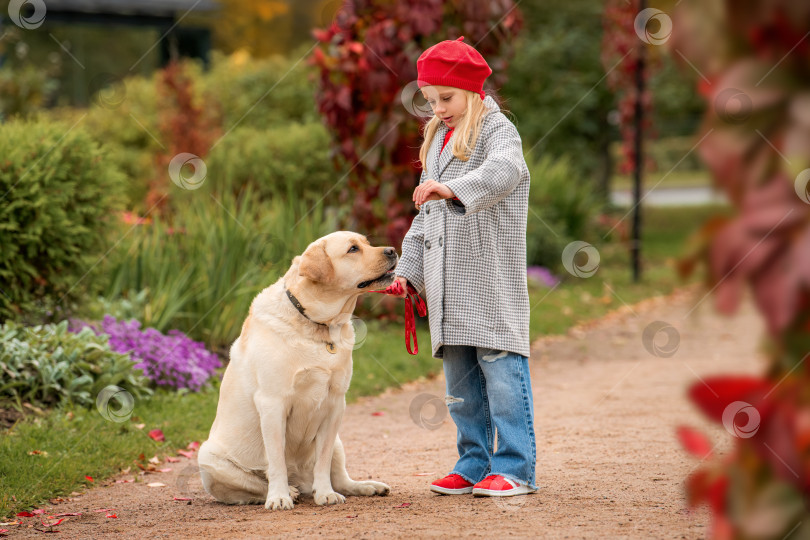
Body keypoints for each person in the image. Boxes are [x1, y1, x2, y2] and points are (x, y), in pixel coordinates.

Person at [393, 36, 537, 497]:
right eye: (430, 99)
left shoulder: (498, 132)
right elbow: (424, 218)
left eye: (446, 98)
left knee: (501, 375)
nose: (437, 108)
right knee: (461, 388)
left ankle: (515, 467)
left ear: (474, 93)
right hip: (446, 286)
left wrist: (451, 189)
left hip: (487, 279)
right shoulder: (437, 141)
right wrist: (408, 272)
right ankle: (473, 462)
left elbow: (504, 173)